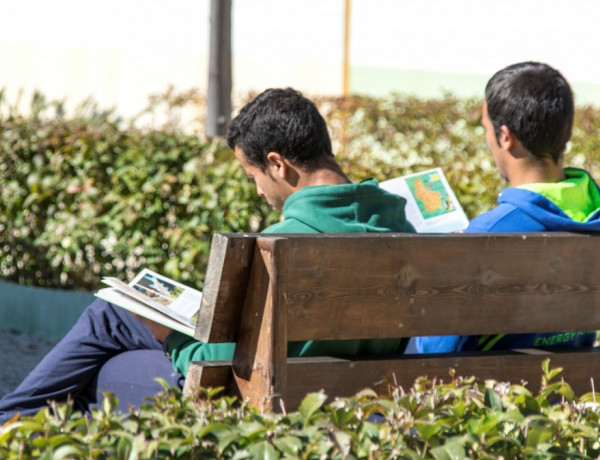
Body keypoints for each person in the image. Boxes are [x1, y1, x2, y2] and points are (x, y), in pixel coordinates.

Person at [0, 88, 415, 422]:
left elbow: (227, 366)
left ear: (278, 164)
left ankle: (10, 422)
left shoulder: (284, 246)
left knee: (109, 338)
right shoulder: (403, 229)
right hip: (361, 401)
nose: (257, 190)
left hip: (266, 407)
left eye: (253, 176)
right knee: (115, 326)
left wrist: (174, 337)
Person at [411, 61, 600, 354]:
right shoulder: (592, 209)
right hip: (575, 395)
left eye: (486, 128)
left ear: (505, 136)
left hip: (498, 397)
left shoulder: (488, 234)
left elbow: (438, 353)